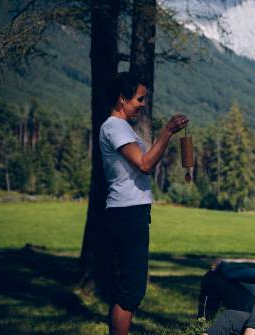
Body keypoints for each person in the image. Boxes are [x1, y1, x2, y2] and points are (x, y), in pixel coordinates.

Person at [100, 72, 188, 335]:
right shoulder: (114, 126)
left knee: (130, 289)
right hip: (126, 213)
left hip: (132, 212)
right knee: (131, 291)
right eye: (139, 99)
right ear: (121, 98)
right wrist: (167, 131)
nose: (142, 104)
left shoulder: (123, 127)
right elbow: (145, 163)